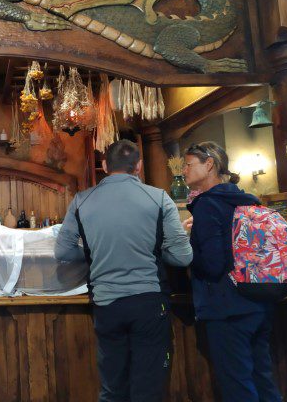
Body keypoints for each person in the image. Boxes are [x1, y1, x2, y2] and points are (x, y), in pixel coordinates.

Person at [55, 139, 192, 402]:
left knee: (112, 387)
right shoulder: (159, 197)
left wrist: (94, 254)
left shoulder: (81, 200)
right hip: (149, 302)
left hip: (107, 305)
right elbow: (182, 256)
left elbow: (62, 252)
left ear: (105, 165)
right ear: (139, 166)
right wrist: (154, 250)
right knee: (149, 388)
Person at [183, 141, 282, 402]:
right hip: (259, 300)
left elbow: (213, 265)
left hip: (227, 308)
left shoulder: (207, 204)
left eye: (188, 164)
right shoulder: (243, 198)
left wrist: (187, 249)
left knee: (237, 385)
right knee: (262, 378)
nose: (183, 170)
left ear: (209, 164)